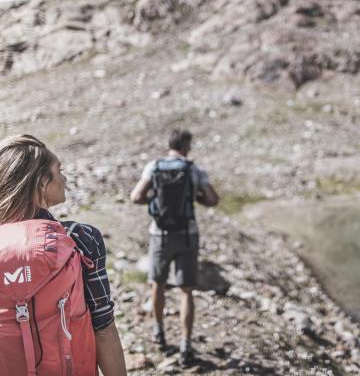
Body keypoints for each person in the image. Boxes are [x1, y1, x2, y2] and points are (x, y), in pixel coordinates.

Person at [0, 135, 126, 376]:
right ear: (41, 183)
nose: (64, 179)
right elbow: (103, 327)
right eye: (59, 170)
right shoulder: (79, 238)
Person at [130, 128, 219, 365]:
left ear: (169, 144)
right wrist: (194, 198)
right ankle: (185, 344)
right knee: (186, 290)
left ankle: (159, 332)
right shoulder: (194, 169)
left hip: (159, 234)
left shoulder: (154, 166)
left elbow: (135, 197)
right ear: (186, 146)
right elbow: (213, 199)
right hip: (187, 235)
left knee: (157, 284)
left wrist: (156, 200)